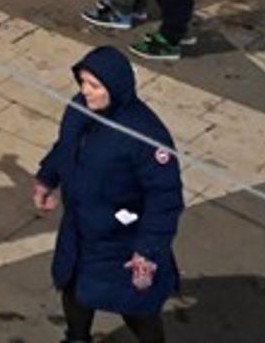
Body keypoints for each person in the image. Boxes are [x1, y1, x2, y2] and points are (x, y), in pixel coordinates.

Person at [33, 48, 182, 342]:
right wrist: (46, 178)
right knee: (74, 290)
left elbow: (165, 200)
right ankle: (77, 338)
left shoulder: (146, 136)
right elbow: (65, 147)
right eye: (83, 82)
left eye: (94, 85)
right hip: (79, 229)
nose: (85, 91)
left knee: (137, 309)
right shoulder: (79, 109)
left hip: (122, 240)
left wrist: (147, 251)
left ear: (115, 87)